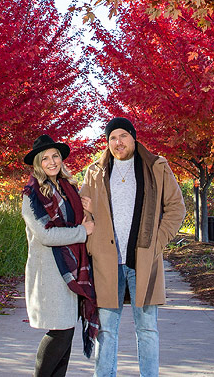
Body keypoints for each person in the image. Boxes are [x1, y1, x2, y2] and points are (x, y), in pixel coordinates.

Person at [80, 117, 186, 377]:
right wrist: (92, 238)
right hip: (107, 262)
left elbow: (176, 208)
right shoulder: (95, 172)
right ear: (107, 143)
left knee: (147, 329)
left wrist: (157, 242)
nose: (118, 142)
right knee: (106, 330)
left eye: (123, 136)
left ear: (133, 137)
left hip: (143, 262)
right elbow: (83, 213)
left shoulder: (156, 167)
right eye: (112, 138)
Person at [21, 134, 99, 377]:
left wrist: (88, 213)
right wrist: (81, 232)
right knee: (60, 333)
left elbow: (87, 225)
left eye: (55, 156)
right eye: (45, 158)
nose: (52, 161)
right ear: (37, 163)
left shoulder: (68, 190)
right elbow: (46, 236)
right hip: (49, 274)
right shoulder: (32, 195)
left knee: (67, 334)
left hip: (70, 272)